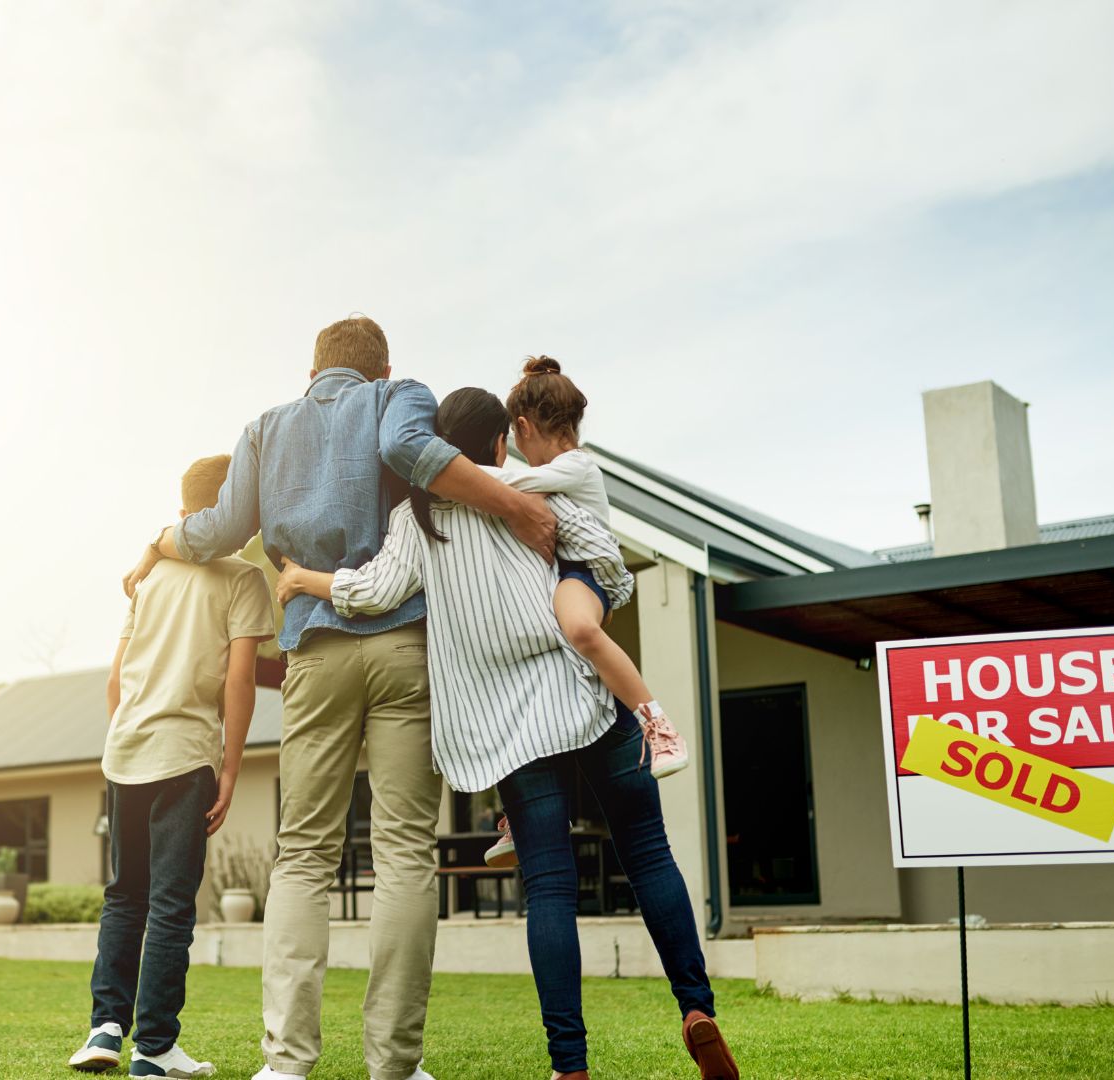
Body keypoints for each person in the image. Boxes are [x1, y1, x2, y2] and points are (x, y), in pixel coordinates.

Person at [123, 315, 557, 1080]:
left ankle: (286, 1064)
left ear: (313, 369)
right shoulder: (399, 396)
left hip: (315, 650)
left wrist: (162, 538)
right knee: (402, 855)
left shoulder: (266, 426)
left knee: (303, 857)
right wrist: (514, 504)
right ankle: (394, 1064)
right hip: (403, 647)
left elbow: (220, 529)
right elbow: (408, 453)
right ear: (381, 367)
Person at [277, 386, 736, 1080]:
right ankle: (696, 1008)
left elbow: (374, 591)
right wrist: (586, 596)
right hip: (582, 700)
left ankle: (570, 1065)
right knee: (647, 855)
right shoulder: (527, 489)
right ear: (499, 443)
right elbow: (605, 562)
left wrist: (304, 579)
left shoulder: (416, 515)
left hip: (510, 733)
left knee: (550, 887)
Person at [71, 454, 276, 1078]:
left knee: (123, 896)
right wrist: (231, 768)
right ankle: (154, 1047)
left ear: (185, 509)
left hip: (126, 752)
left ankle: (105, 1028)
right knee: (170, 905)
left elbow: (115, 679)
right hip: (184, 756)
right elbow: (240, 680)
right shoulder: (243, 578)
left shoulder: (149, 576)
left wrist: (126, 739)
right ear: (234, 511)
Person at [481, 356, 690, 869]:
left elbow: (506, 488)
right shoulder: (559, 469)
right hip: (560, 580)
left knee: (576, 628)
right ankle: (516, 812)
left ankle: (656, 723)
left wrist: (446, 472)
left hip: (584, 576)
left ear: (524, 428)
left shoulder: (575, 466)